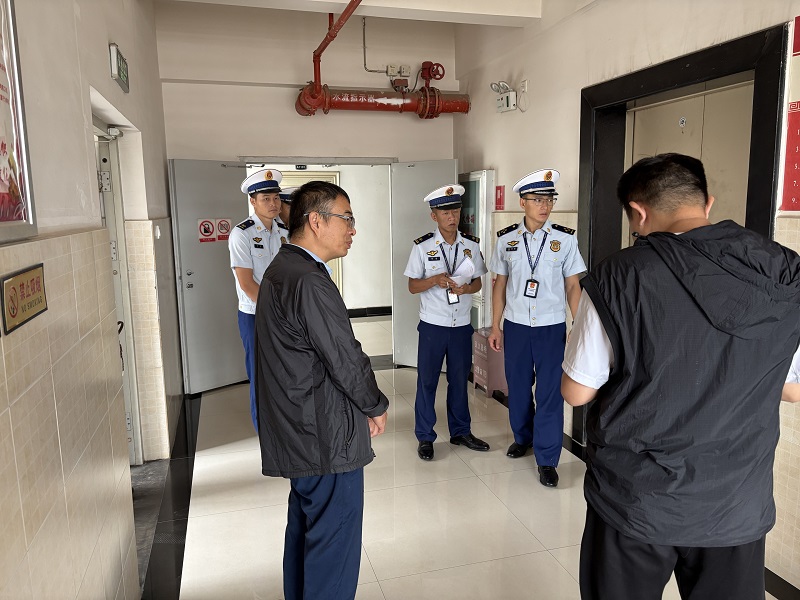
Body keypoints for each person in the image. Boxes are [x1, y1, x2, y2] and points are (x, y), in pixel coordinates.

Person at [561, 153, 800, 599]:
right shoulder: (784, 272)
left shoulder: (619, 275)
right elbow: (791, 389)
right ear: (707, 204)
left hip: (637, 501)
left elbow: (576, 393)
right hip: (735, 501)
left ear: (638, 212)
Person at [255, 180, 389, 600]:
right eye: (347, 219)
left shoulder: (283, 268)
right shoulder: (309, 281)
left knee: (306, 533)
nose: (353, 229)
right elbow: (344, 357)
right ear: (316, 220)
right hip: (325, 437)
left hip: (300, 429)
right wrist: (374, 404)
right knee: (334, 546)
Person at [488, 169, 586, 487]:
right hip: (516, 326)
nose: (545, 206)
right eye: (538, 200)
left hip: (550, 327)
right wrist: (495, 326)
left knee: (549, 393)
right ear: (523, 202)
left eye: (549, 200)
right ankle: (523, 437)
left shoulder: (565, 239)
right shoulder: (506, 239)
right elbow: (499, 285)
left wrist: (578, 324)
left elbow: (573, 286)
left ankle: (547, 458)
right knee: (518, 389)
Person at [404, 184, 490, 461]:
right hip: (433, 325)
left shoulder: (471, 245)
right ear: (434, 216)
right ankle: (425, 436)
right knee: (427, 382)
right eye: (445, 212)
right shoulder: (422, 247)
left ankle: (461, 431)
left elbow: (477, 282)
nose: (452, 217)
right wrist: (433, 280)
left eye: (455, 211)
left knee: (459, 381)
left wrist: (467, 289)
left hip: (461, 325)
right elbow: (412, 287)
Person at [228, 167, 284, 431]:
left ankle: (284, 424)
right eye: (266, 199)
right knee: (260, 374)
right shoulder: (242, 234)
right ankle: (264, 429)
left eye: (276, 197)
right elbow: (247, 283)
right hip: (255, 315)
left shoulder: (284, 231)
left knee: (283, 370)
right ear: (253, 201)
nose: (273, 203)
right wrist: (277, 309)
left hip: (283, 313)